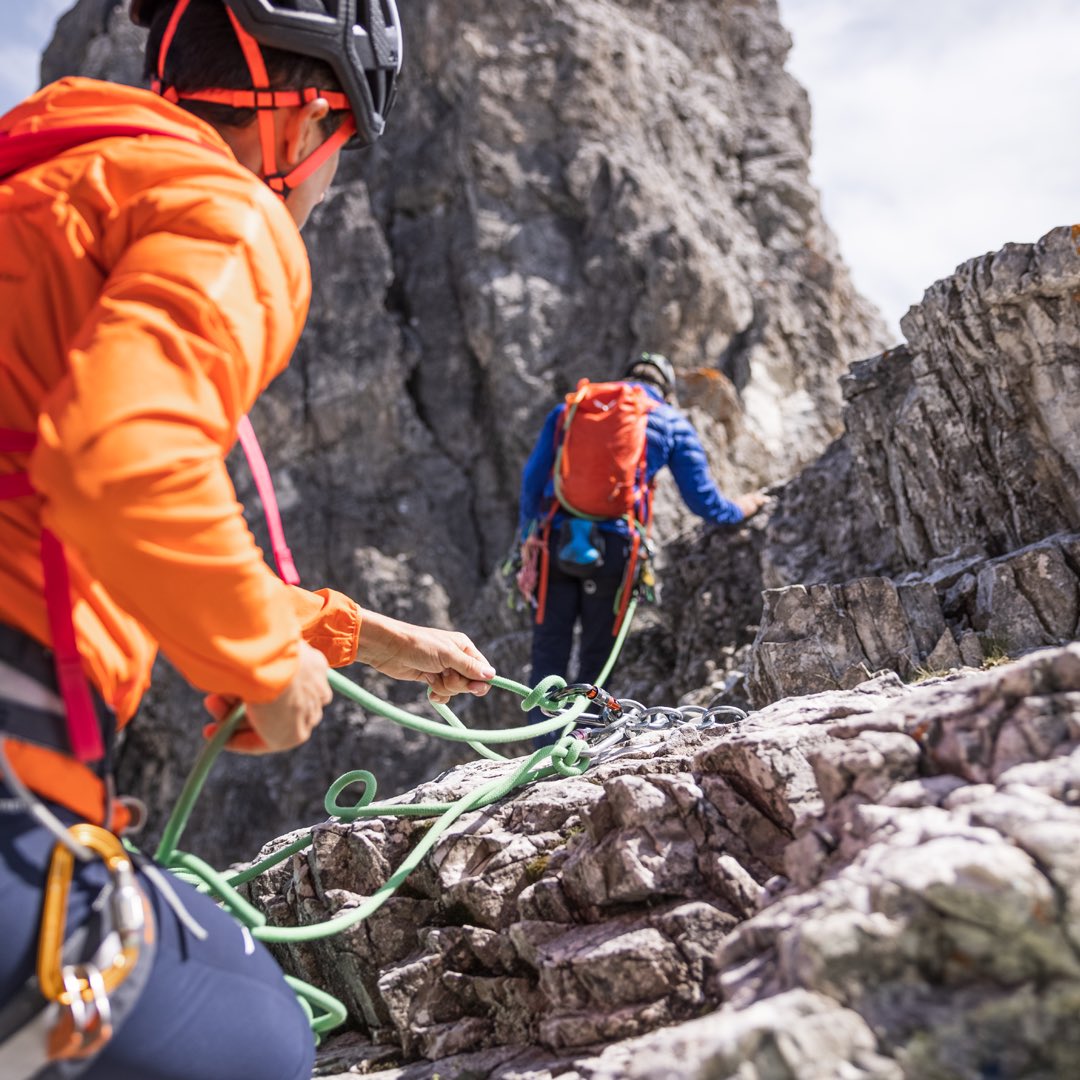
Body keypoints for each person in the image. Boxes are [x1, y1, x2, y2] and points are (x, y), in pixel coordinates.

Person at [0, 2, 494, 1077]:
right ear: (304, 118)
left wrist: (367, 639)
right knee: (247, 1037)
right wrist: (261, 669)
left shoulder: (41, 198)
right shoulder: (220, 209)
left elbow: (63, 500)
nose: (329, 185)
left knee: (197, 940)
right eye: (341, 151)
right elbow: (118, 464)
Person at [517, 352, 766, 740]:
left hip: (556, 543)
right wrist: (743, 507)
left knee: (549, 652)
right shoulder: (668, 421)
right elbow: (704, 502)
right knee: (597, 660)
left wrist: (528, 536)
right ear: (665, 389)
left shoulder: (574, 408)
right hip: (617, 550)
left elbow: (533, 480)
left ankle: (540, 748)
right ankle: (580, 747)